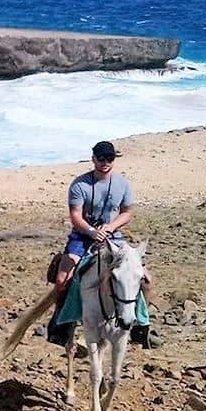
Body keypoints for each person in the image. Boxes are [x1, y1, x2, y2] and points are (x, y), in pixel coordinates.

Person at [49, 141, 150, 344]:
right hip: (82, 236)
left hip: (114, 237)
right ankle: (61, 324)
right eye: (101, 158)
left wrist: (110, 228)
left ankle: (140, 323)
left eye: (109, 158)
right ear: (93, 158)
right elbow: (75, 215)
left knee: (146, 280)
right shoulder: (80, 185)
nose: (105, 162)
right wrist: (91, 231)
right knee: (62, 279)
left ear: (114, 159)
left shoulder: (123, 184)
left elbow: (127, 212)